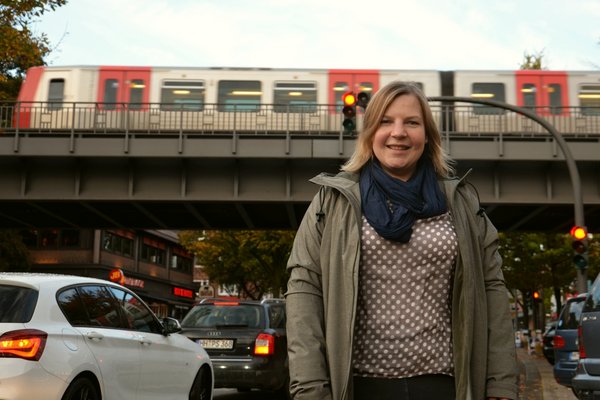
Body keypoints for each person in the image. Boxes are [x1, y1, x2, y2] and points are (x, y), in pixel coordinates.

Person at [285, 81, 518, 400]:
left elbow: (492, 287)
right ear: (369, 133)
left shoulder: (461, 202)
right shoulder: (332, 202)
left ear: (428, 135)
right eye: (385, 121)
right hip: (357, 386)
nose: (399, 132)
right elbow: (304, 289)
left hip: (445, 385)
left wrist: (501, 383)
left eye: (412, 122)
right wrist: (310, 388)